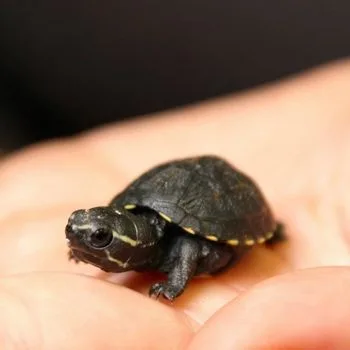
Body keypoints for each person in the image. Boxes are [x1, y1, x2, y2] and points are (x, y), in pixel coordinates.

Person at [0, 58, 350, 349]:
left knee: (193, 243)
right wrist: (84, 246)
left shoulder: (173, 243)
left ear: (133, 242)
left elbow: (187, 247)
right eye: (77, 229)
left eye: (99, 237)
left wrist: (174, 285)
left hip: (215, 217)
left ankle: (270, 229)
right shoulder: (130, 222)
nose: (78, 234)